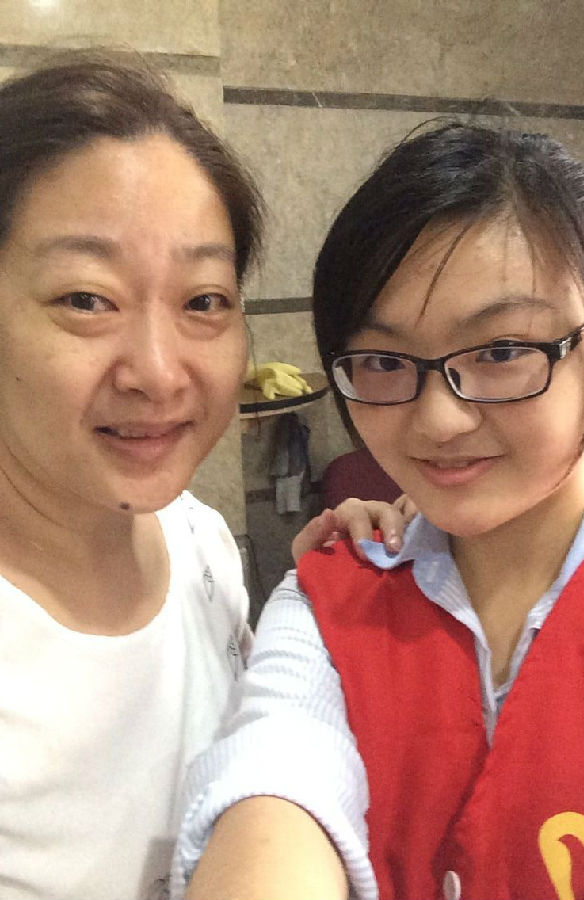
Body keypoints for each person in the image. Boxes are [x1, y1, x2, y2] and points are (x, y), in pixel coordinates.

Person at [175, 123, 584, 900]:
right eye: (382, 361)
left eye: (500, 351)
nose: (438, 420)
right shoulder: (327, 597)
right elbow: (277, 774)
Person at [0, 54, 405, 900]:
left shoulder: (199, 541)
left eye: (204, 301)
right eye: (86, 299)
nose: (158, 372)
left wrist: (321, 608)